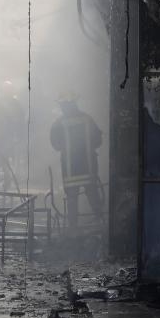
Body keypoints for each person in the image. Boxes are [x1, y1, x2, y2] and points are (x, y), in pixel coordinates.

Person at [49, 92, 104, 230]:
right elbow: (98, 140)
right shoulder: (87, 119)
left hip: (70, 168)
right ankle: (100, 222)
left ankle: (73, 227)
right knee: (92, 193)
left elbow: (55, 145)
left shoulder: (58, 123)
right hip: (88, 166)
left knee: (72, 197)